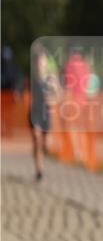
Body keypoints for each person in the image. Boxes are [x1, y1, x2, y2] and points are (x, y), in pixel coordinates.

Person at [29, 47, 61, 181]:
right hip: (34, 113)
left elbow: (59, 94)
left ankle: (43, 157)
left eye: (42, 62)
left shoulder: (51, 79)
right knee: (36, 140)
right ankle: (39, 170)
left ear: (46, 63)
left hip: (46, 113)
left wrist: (53, 98)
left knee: (45, 144)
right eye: (38, 62)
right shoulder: (33, 78)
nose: (40, 64)